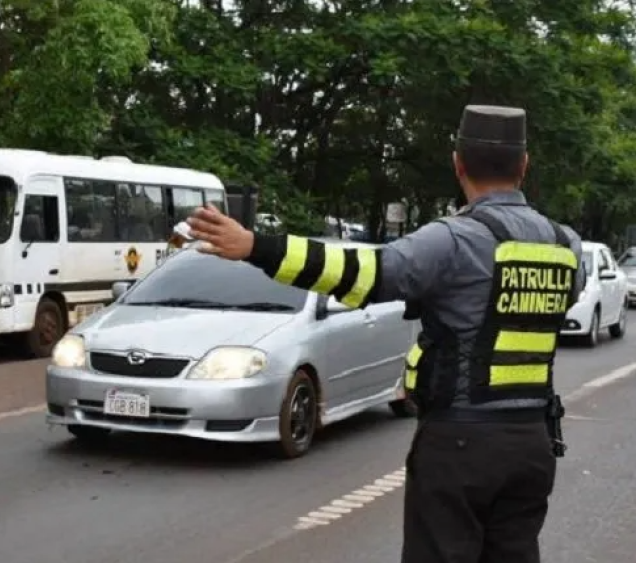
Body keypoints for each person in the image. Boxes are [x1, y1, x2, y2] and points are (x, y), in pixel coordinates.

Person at [186, 104, 585, 563]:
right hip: (532, 443)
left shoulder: (454, 239)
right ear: (524, 165)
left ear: (457, 163)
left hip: (460, 443)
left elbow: (364, 273)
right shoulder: (565, 244)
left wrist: (257, 246)